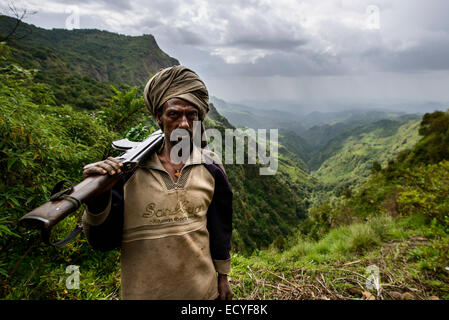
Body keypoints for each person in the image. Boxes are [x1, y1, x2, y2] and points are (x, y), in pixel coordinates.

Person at [81, 65, 233, 300]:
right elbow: (102, 242)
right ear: (158, 117)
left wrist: (222, 278)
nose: (183, 124)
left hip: (204, 296)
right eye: (174, 114)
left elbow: (219, 228)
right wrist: (97, 200)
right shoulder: (126, 173)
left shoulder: (210, 168)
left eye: (191, 115)